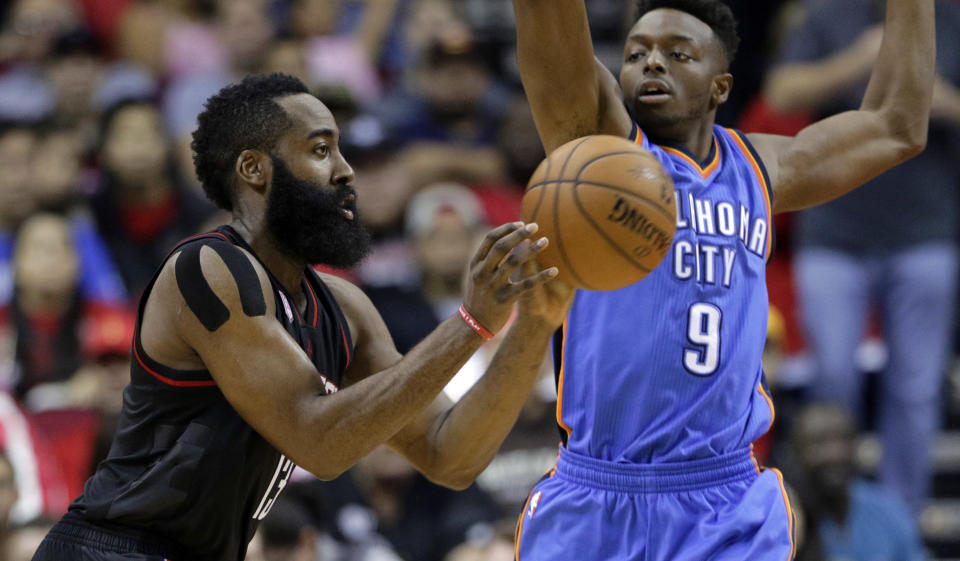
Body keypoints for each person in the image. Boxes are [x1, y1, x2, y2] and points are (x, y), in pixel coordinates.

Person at [30, 73, 573, 561]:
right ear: (254, 169)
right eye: (320, 149)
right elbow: (317, 442)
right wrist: (470, 322)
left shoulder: (343, 308)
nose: (345, 171)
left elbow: (450, 455)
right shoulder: (208, 268)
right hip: (113, 549)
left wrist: (532, 324)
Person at [508, 0, 935, 558]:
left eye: (677, 54)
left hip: (724, 500)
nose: (652, 64)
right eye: (636, 54)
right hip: (598, 492)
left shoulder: (760, 169)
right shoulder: (598, 149)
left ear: (720, 86)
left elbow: (896, 125)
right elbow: (546, 23)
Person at [763, 0, 960, 518]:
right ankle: (834, 521)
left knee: (917, 391)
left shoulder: (951, 16)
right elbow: (780, 92)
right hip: (833, 231)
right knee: (833, 383)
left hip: (925, 229)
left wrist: (941, 102)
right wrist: (858, 59)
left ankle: (899, 523)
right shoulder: (831, 13)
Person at [789, 403, 925, 561]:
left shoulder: (886, 507)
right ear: (795, 453)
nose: (833, 454)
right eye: (818, 444)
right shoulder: (787, 517)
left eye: (842, 441)